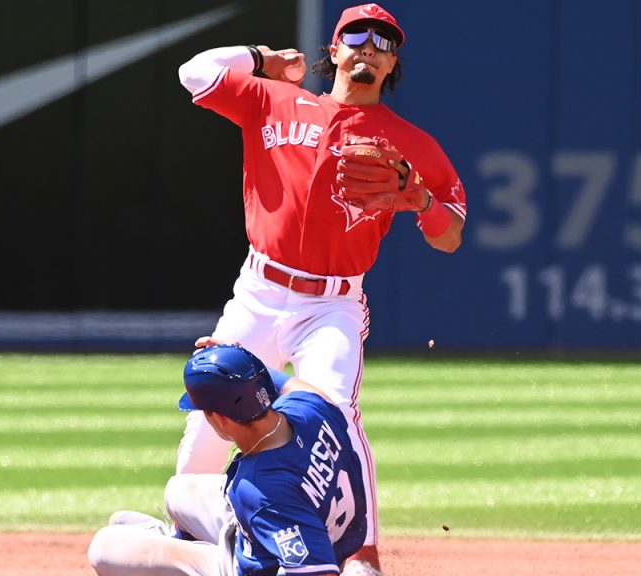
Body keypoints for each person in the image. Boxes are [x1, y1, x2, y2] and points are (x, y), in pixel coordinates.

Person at [176, 4, 467, 573]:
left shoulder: (411, 143)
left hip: (332, 303)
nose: (369, 47)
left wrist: (423, 201)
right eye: (355, 36)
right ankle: (190, 536)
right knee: (207, 419)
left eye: (384, 43)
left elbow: (450, 234)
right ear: (333, 51)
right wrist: (263, 58)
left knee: (336, 416)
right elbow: (194, 72)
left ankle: (363, 556)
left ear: (391, 66)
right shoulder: (273, 99)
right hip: (259, 289)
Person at [88, 343, 369, 576]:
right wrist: (236, 363)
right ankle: (178, 541)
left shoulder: (262, 489)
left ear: (220, 419)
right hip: (312, 527)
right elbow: (285, 383)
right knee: (178, 489)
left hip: (263, 562)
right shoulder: (310, 408)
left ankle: (191, 557)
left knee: (103, 546)